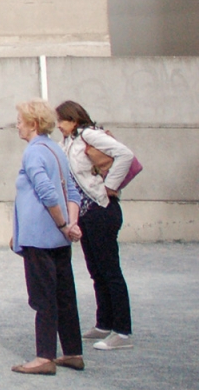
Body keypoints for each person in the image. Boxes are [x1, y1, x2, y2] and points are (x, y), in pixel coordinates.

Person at [10, 100, 85, 375]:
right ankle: (73, 351)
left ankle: (44, 356)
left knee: (43, 297)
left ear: (32, 123)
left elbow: (46, 193)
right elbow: (71, 192)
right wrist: (70, 225)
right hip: (58, 236)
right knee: (65, 294)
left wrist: (64, 223)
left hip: (40, 237)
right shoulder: (56, 150)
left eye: (19, 120)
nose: (16, 124)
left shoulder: (32, 153)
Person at [56, 100, 136, 351]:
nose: (59, 125)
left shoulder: (90, 135)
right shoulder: (68, 142)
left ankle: (122, 331)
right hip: (86, 213)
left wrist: (110, 185)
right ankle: (104, 322)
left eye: (62, 120)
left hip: (102, 209)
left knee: (110, 270)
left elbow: (125, 154)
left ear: (74, 119)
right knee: (96, 270)